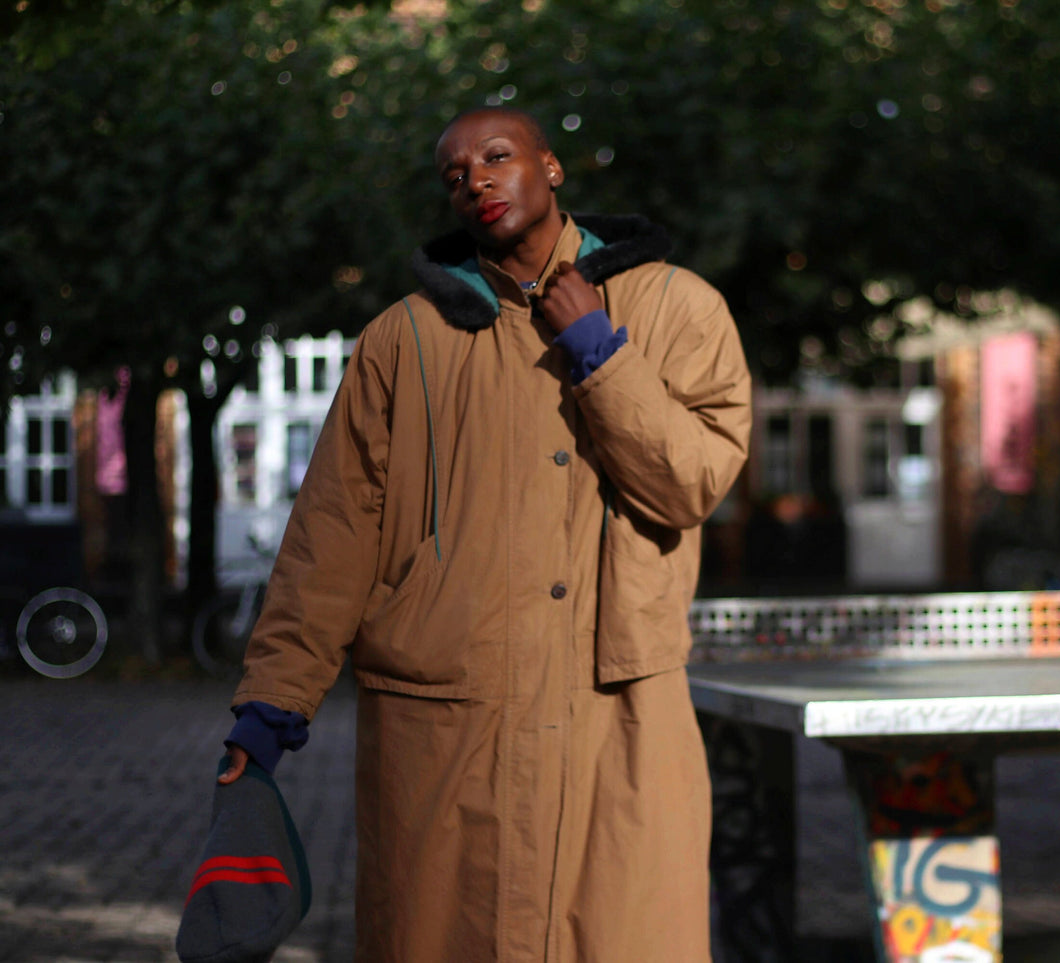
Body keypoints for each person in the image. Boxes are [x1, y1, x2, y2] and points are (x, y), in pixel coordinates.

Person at [215, 106, 752, 961]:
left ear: (551, 168)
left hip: (615, 715)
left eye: (497, 157)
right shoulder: (404, 340)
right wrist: (272, 703)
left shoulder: (677, 307)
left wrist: (598, 352)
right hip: (444, 721)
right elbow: (335, 530)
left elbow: (688, 482)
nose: (476, 180)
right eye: (454, 173)